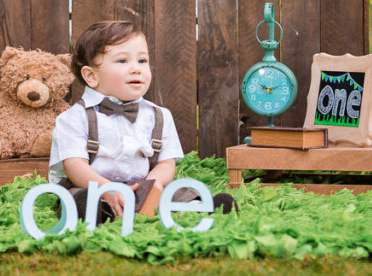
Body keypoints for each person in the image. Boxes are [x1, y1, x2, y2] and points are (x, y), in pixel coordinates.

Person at [49, 20, 236, 220]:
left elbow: (166, 162)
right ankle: (94, 212)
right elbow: (75, 166)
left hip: (143, 185)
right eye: (122, 61)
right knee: (76, 197)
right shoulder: (73, 118)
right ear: (91, 76)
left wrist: (153, 184)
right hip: (93, 185)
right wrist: (105, 189)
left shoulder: (159, 115)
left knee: (177, 191)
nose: (136, 69)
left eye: (142, 60)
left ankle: (198, 208)